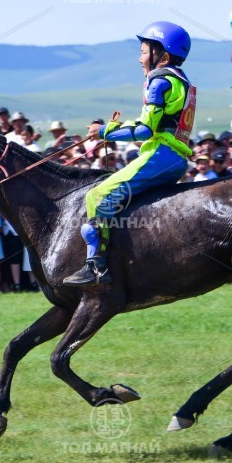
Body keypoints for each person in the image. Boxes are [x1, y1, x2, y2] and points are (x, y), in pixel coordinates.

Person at [65, 21, 194, 285]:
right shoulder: (180, 81)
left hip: (160, 156)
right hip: (174, 158)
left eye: (144, 52)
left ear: (163, 57)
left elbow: (146, 129)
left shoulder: (160, 81)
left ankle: (96, 265)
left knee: (96, 196)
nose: (139, 59)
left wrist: (104, 132)